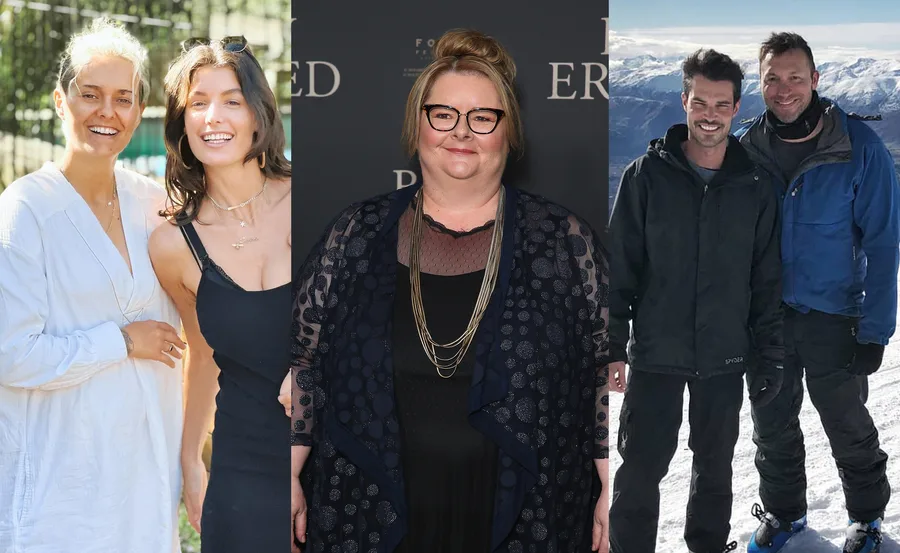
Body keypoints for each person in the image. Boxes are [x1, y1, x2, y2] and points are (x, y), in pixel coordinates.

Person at [291, 28, 610, 553]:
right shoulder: (357, 232)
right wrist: (290, 473)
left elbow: (604, 373)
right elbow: (304, 363)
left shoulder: (562, 239)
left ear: (508, 131)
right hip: (371, 513)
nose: (461, 131)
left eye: (483, 117)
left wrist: (609, 488)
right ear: (416, 125)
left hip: (522, 515)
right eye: (442, 114)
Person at [0, 18, 185, 553]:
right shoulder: (25, 209)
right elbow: (12, 355)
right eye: (90, 95)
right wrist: (122, 341)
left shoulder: (154, 204)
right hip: (60, 487)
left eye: (124, 98)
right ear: (61, 101)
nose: (108, 112)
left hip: (142, 482)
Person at [607, 49, 784, 553]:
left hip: (725, 353)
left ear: (736, 107)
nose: (709, 113)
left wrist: (769, 352)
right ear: (684, 100)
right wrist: (612, 345)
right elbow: (621, 269)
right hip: (657, 353)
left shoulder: (755, 187)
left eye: (721, 104)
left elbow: (766, 278)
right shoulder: (646, 176)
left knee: (715, 465)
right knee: (641, 466)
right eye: (700, 101)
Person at [735, 32, 899, 553]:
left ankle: (867, 522)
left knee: (849, 427)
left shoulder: (858, 147)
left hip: (835, 319)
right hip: (767, 320)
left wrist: (875, 330)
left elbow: (884, 243)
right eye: (772, 79)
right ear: (759, 84)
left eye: (795, 77)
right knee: (772, 427)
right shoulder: (746, 148)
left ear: (816, 80)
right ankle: (785, 518)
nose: (784, 90)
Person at [148, 35, 292, 552]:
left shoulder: (317, 198)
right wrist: (191, 459)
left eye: (232, 100)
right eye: (198, 103)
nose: (214, 117)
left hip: (342, 447)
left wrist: (317, 369)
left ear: (259, 114)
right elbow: (203, 353)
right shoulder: (172, 245)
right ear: (181, 123)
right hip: (244, 468)